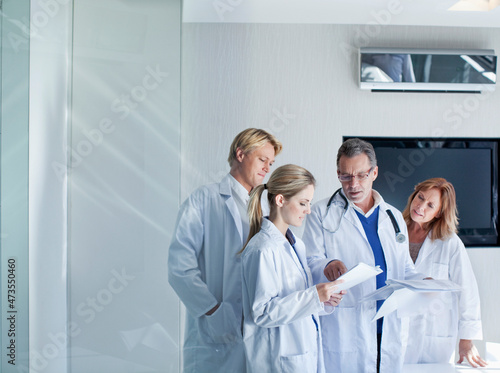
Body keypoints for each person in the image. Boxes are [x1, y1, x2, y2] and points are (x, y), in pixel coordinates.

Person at [302, 138, 424, 373]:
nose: (353, 184)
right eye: (345, 176)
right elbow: (309, 261)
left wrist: (423, 283)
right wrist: (328, 264)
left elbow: (405, 268)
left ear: (374, 172)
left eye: (361, 175)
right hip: (346, 326)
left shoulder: (394, 216)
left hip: (389, 325)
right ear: (337, 174)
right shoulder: (320, 212)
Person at [168, 128, 282, 373]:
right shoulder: (203, 200)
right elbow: (179, 268)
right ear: (240, 154)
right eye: (262, 160)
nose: (267, 168)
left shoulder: (267, 206)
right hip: (214, 335)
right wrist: (213, 311)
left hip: (259, 334)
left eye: (271, 163)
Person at [240, 164, 345, 373]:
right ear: (280, 200)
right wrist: (314, 296)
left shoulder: (295, 243)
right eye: (303, 203)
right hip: (277, 361)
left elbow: (295, 299)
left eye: (309, 203)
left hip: (301, 354)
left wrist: (323, 300)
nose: (309, 210)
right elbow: (262, 313)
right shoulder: (263, 249)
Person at [402, 178, 487, 367]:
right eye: (420, 197)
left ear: (439, 212)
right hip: (396, 328)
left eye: (430, 204)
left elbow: (467, 291)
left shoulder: (449, 243)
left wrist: (466, 340)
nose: (421, 206)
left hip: (432, 333)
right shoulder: (392, 231)